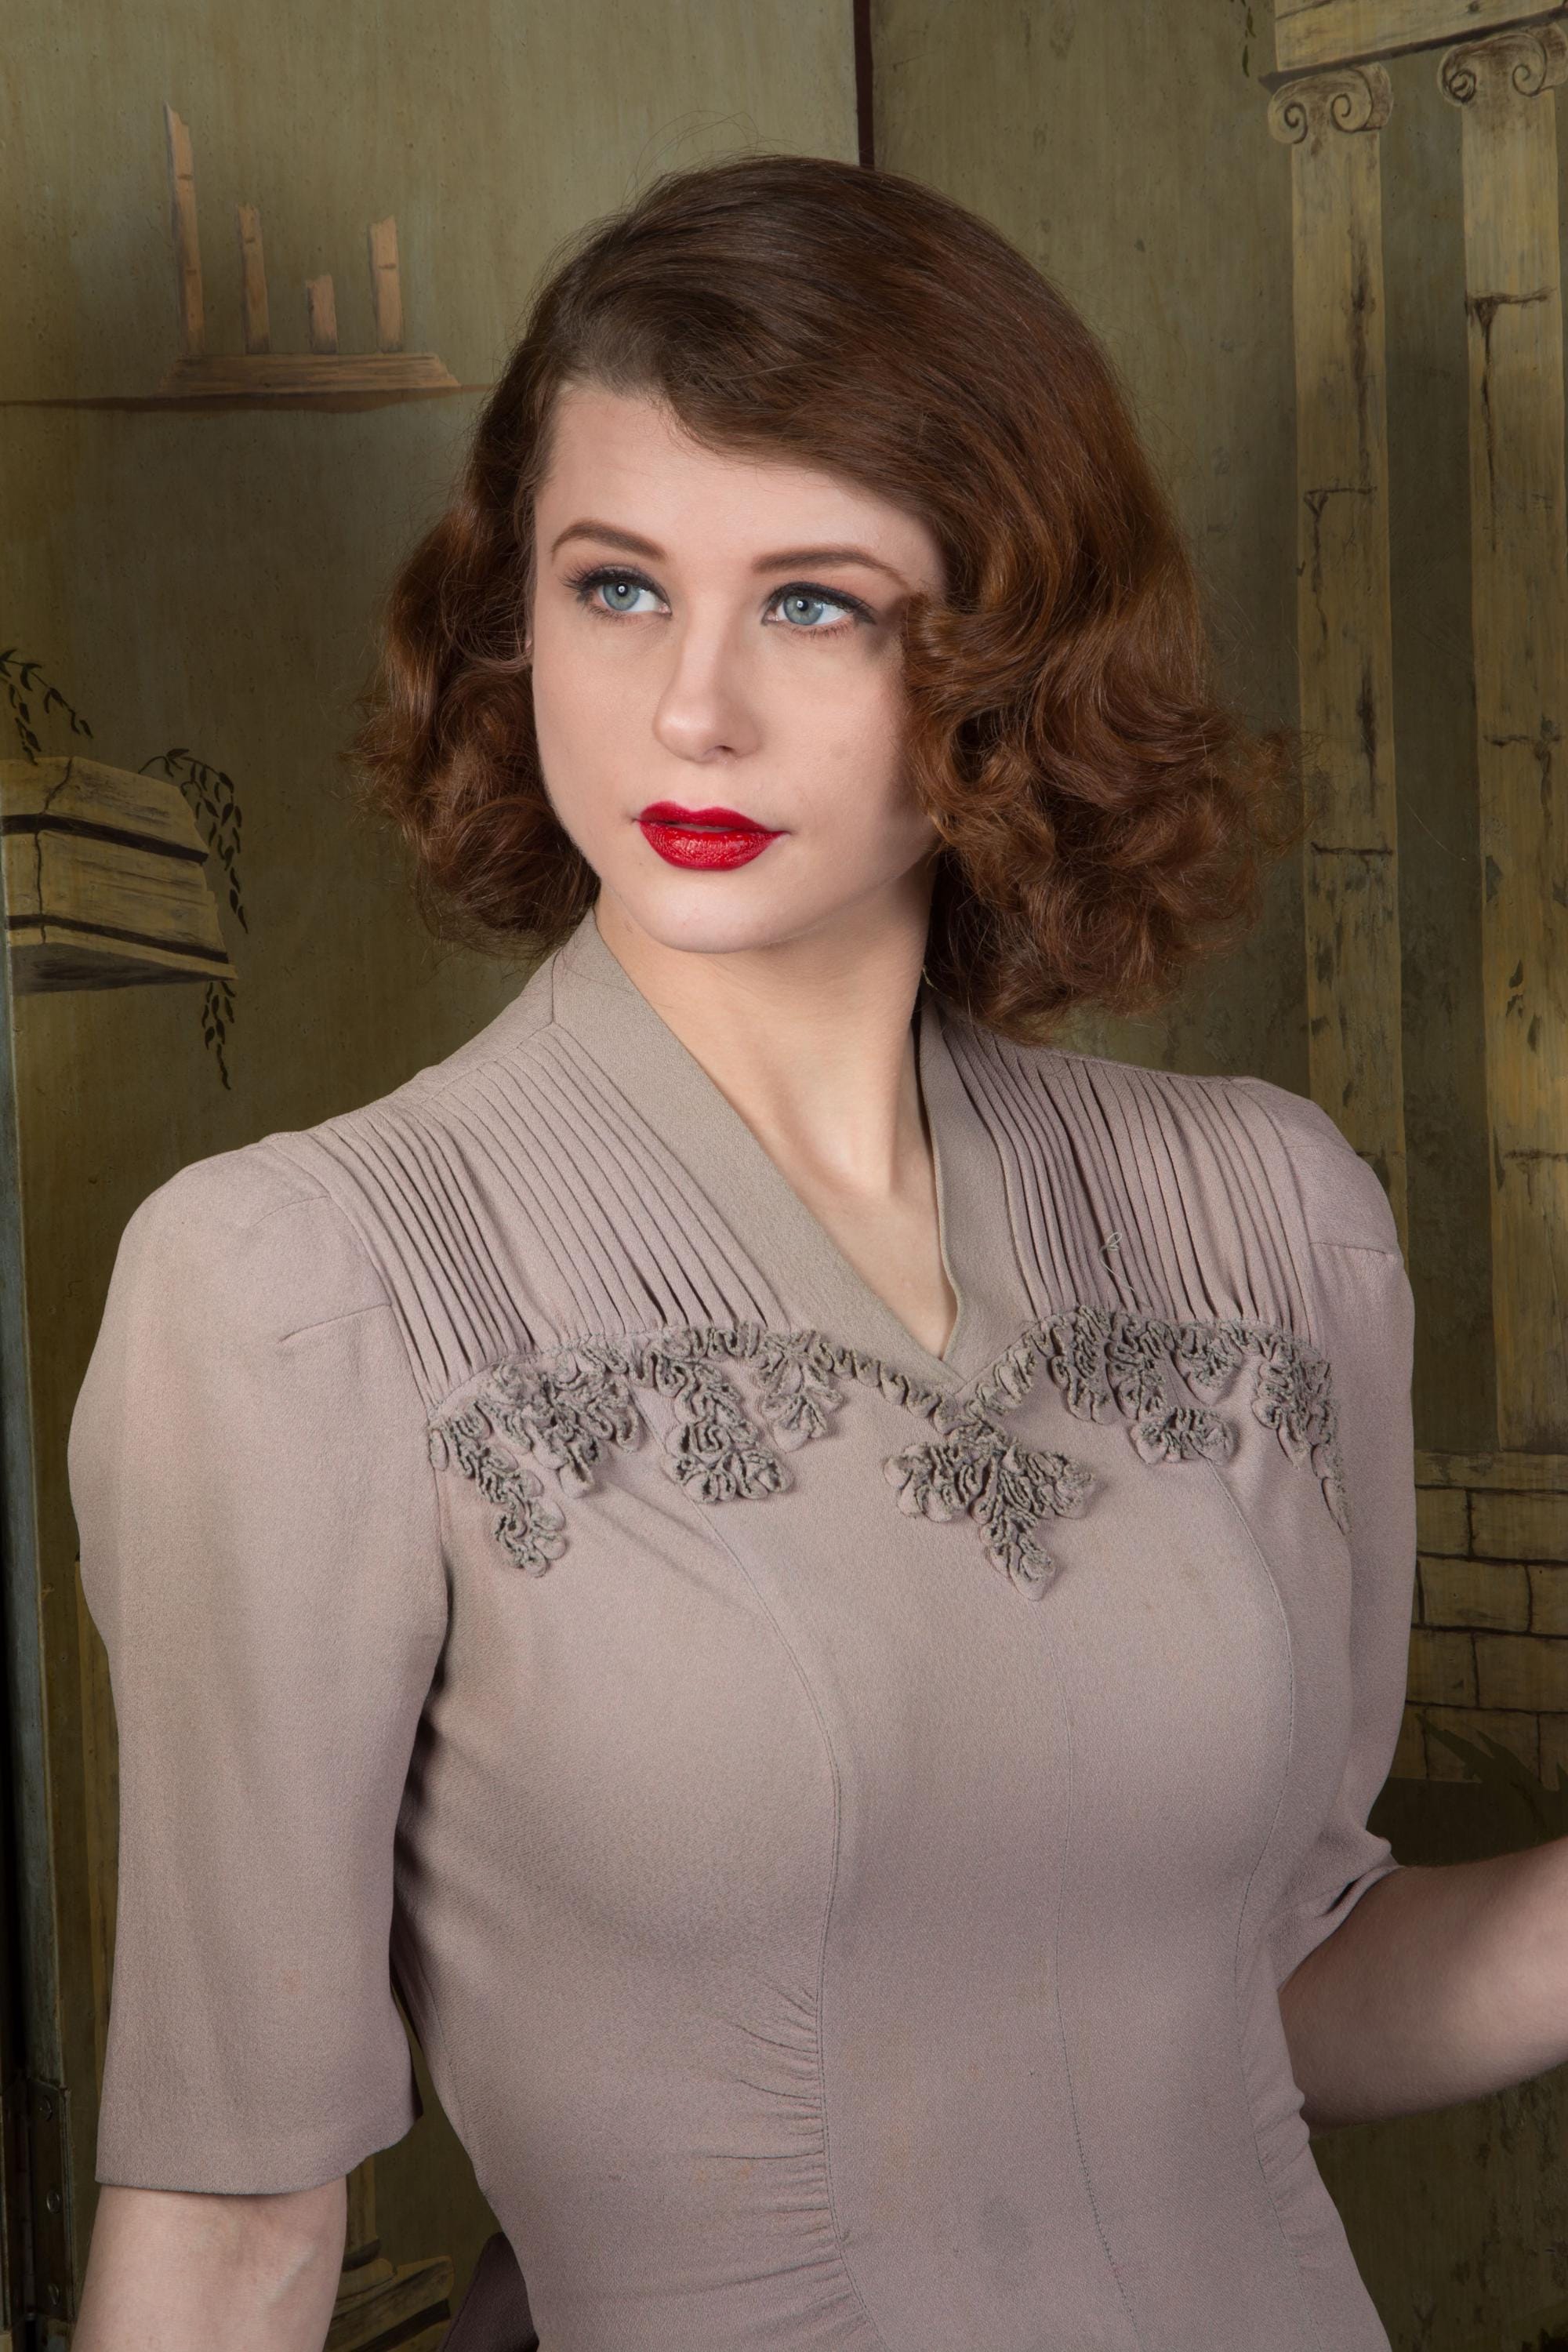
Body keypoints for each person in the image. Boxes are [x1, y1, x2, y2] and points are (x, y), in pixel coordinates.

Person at [69, 152, 1559, 2352]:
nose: (693, 708)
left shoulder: (1271, 1220)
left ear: (1011, 652)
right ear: (510, 617)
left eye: (814, 602)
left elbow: (1273, 1992)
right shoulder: (304, 1291)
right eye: (615, 587)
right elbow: (228, 2232)